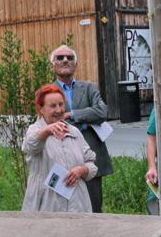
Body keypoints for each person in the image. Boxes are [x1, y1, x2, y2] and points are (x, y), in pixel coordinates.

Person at [51, 45, 113, 213]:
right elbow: (47, 120)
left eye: (70, 57)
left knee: (94, 209)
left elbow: (102, 112)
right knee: (62, 208)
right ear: (53, 65)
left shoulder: (88, 88)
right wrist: (87, 119)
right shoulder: (47, 93)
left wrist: (71, 115)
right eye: (60, 57)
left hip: (90, 156)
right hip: (60, 158)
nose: (65, 60)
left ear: (75, 64)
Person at [22, 84, 98, 212]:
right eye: (52, 106)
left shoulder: (74, 131)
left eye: (61, 104)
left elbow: (92, 164)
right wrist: (47, 131)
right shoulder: (35, 130)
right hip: (46, 204)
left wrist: (82, 170)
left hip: (78, 203)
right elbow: (30, 145)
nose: (58, 110)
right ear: (41, 109)